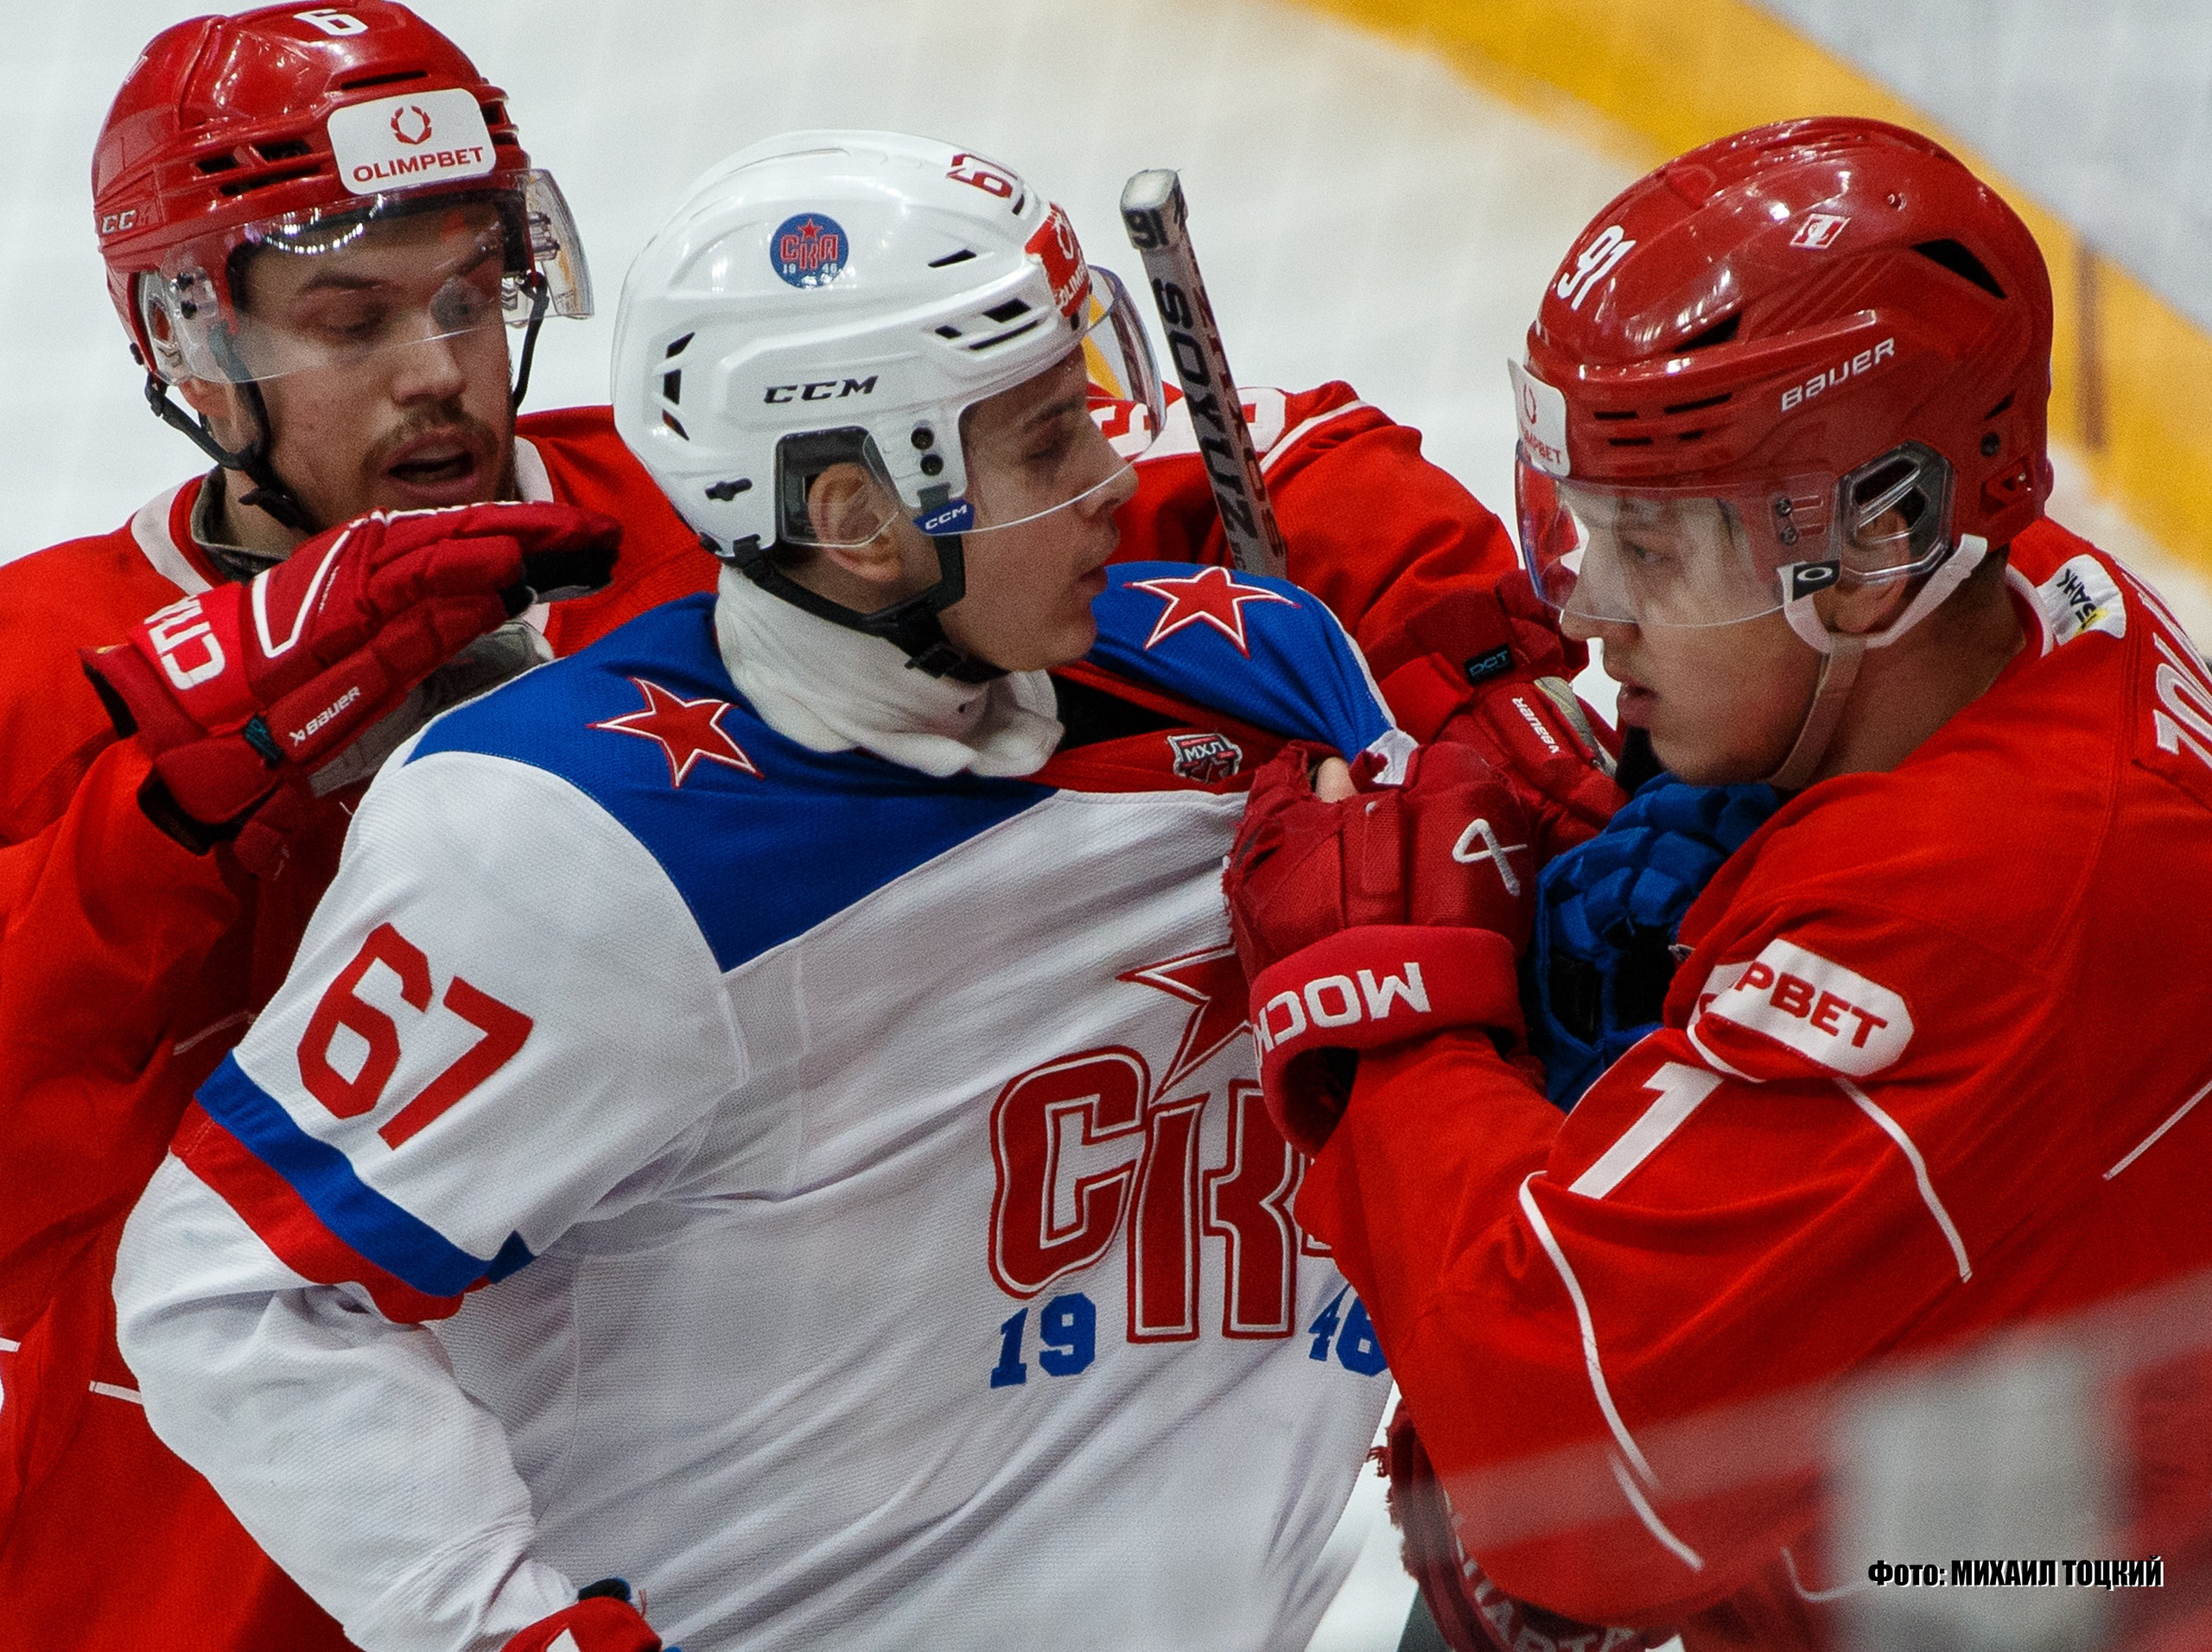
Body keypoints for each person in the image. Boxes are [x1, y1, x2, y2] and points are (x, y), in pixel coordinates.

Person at [109, 130, 1613, 1652]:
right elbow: (228, 1294)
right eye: (1044, 443)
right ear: (857, 519)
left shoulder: (1269, 671)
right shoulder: (561, 835)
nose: (1114, 477)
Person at [1217, 117, 2212, 1650]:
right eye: (1585, 529)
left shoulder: (1977, 903)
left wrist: (1394, 1015)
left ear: (1877, 545)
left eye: (1657, 548)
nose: (1593, 614)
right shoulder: (2008, 609)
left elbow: (1572, 1484)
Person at [0, 0, 717, 1649]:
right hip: (199, 1539)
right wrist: (178, 811)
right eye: (349, 322)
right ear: (191, 340)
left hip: (686, 1498)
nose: (441, 377)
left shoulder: (687, 524)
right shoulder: (49, 670)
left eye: (472, 300)